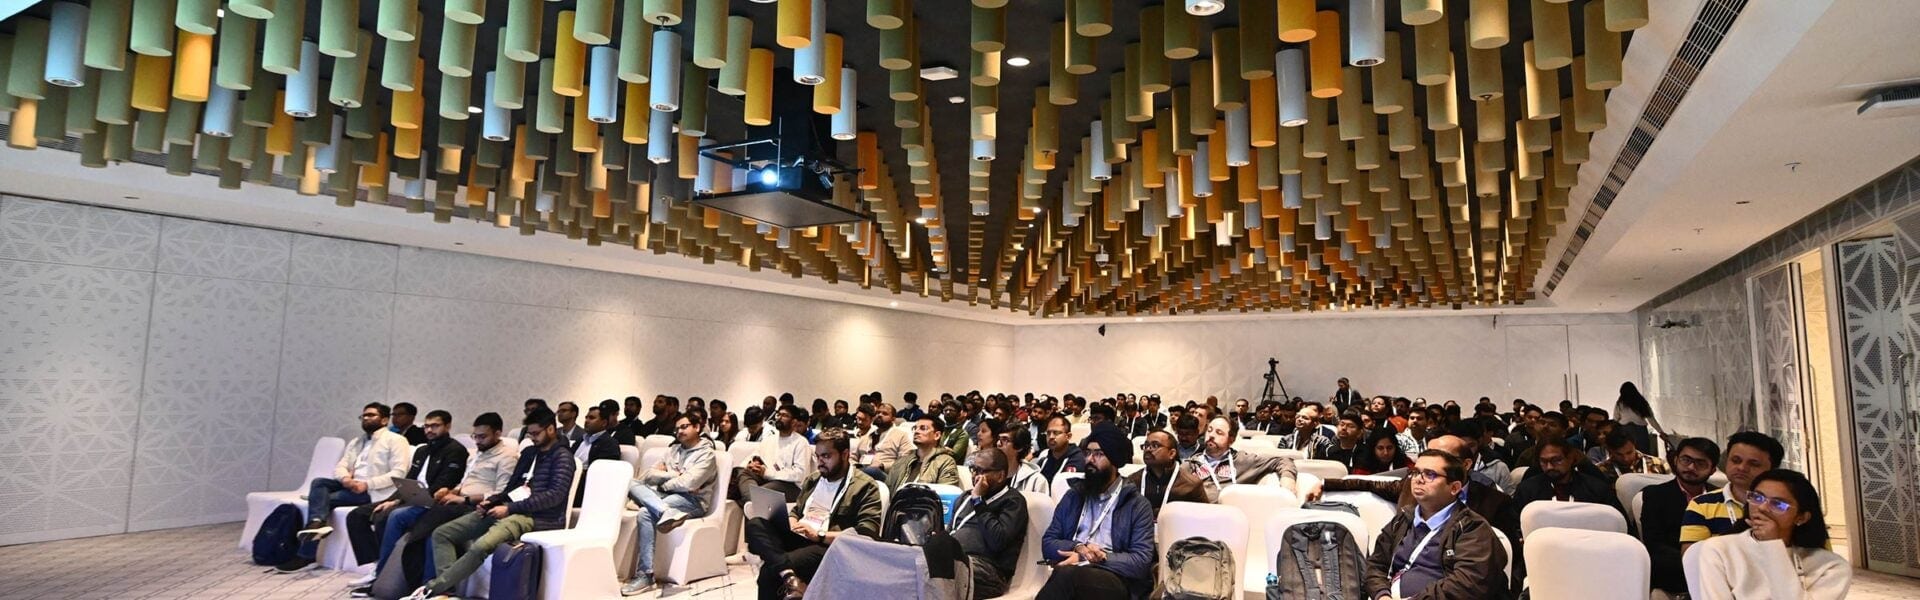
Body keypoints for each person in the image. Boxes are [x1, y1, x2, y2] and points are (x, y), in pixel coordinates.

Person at [404, 408, 576, 600]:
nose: (533, 438)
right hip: (511, 508)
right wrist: (492, 501)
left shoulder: (563, 457)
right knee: (442, 534)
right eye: (530, 433)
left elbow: (554, 496)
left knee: (481, 546)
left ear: (551, 429)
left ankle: (432, 589)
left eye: (536, 433)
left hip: (538, 518)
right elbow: (512, 487)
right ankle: (448, 591)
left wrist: (509, 508)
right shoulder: (529, 453)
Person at [348, 412, 518, 597]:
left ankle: (427, 586)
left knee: (420, 528)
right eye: (475, 436)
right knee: (388, 517)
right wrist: (452, 491)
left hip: (473, 506)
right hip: (451, 501)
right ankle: (389, 577)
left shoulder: (505, 457)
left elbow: (500, 493)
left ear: (498, 433)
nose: (477, 441)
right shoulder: (476, 454)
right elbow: (465, 482)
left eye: (482, 436)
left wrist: (464, 498)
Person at [745, 429, 885, 600]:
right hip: (801, 535)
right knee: (756, 523)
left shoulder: (865, 487)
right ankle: (790, 576)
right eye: (817, 457)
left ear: (845, 454)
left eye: (826, 456)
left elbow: (866, 535)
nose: (820, 462)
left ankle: (786, 573)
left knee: (769, 571)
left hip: (828, 546)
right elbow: (797, 510)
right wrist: (790, 521)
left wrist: (819, 535)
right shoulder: (813, 479)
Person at [1311, 435, 1520, 550]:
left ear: (1466, 464)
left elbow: (1510, 558)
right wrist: (1324, 483)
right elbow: (1370, 484)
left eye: (1441, 457)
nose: (1430, 463)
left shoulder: (1495, 502)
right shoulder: (1411, 486)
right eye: (1427, 455)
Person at [323, 409, 468, 574]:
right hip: (411, 496)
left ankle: (383, 571)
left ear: (447, 426)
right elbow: (407, 482)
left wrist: (398, 502)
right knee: (357, 515)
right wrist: (391, 500)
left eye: (435, 426)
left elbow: (444, 483)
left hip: (431, 501)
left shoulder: (455, 450)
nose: (429, 430)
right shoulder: (423, 450)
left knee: (387, 516)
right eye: (426, 426)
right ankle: (377, 562)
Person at [1362, 450, 1508, 599]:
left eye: (1430, 474)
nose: (1418, 479)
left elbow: (1468, 584)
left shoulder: (1472, 528)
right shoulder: (1403, 520)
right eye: (1416, 472)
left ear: (1454, 488)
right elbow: (1375, 566)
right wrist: (1382, 595)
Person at [1687, 469, 1850, 600]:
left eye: (1778, 504)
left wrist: (1772, 545)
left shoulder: (1830, 566)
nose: (1762, 508)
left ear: (1801, 517)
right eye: (1757, 497)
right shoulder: (1719, 549)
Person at [1036, 423, 1156, 600]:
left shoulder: (1137, 504)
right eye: (1087, 453)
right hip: (1073, 567)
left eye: (1098, 454)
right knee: (1067, 575)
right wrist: (1078, 549)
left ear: (1114, 461)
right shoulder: (1074, 495)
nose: (1090, 460)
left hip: (1114, 577)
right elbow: (1048, 542)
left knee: (1067, 576)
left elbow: (1141, 562)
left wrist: (1101, 557)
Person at [285, 403, 410, 571]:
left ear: (385, 420)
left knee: (322, 500)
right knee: (319, 483)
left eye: (371, 415)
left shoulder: (396, 440)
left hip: (374, 491)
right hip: (351, 485)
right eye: (364, 416)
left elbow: (399, 473)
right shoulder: (357, 441)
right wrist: (345, 479)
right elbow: (341, 465)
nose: (366, 418)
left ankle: (306, 555)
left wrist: (366, 484)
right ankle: (317, 523)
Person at [620, 412, 720, 595]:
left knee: (644, 512)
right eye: (677, 429)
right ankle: (665, 511)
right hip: (669, 497)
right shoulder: (673, 450)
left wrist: (665, 481)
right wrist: (676, 476)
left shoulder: (707, 455)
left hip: (693, 501)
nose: (679, 431)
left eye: (684, 427)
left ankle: (646, 575)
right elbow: (649, 475)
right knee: (632, 483)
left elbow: (689, 484)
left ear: (697, 427)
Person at [1642, 437, 1721, 598]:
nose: (1691, 467)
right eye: (1686, 460)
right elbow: (1655, 545)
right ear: (1676, 460)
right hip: (1674, 579)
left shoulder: (1721, 497)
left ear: (1713, 469)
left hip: (1719, 578)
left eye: (1700, 463)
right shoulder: (1655, 495)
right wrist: (1699, 565)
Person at [1681, 431, 1784, 551]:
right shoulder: (1702, 505)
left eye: (1753, 464)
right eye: (1736, 460)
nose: (1742, 468)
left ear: (1772, 469)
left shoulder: (1781, 507)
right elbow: (1692, 560)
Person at [951, 449, 1030, 599]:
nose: (975, 475)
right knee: (921, 562)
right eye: (973, 469)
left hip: (990, 572)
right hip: (956, 560)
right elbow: (951, 532)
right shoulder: (964, 497)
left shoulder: (1012, 501)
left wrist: (978, 502)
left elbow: (997, 541)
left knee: (943, 569)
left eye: (981, 470)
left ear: (1000, 475)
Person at [1188, 417, 1299, 502]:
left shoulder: (1243, 460)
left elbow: (1283, 460)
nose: (1211, 435)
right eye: (1209, 430)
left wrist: (1288, 479)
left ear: (1231, 439)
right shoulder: (1191, 464)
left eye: (1219, 433)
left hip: (1227, 518)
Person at [1511, 438, 1624, 513]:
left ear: (1570, 458)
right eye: (1543, 462)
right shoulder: (1527, 490)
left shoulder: (1597, 489)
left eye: (1556, 460)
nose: (1549, 467)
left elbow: (1617, 522)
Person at [732, 405, 816, 503]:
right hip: (767, 480)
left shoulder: (801, 442)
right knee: (742, 472)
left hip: (791, 486)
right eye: (778, 414)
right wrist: (751, 464)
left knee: (761, 492)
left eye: (784, 415)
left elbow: (799, 475)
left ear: (794, 422)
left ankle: (750, 501)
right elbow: (754, 456)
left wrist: (767, 473)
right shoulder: (769, 440)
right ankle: (752, 501)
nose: (779, 417)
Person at [1124, 429, 1208, 515]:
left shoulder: (1191, 484)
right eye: (1146, 445)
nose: (1148, 449)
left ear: (1171, 453)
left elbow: (1204, 517)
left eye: (1155, 445)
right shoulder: (1133, 481)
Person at [886, 416, 963, 491]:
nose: (916, 431)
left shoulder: (946, 462)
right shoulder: (902, 461)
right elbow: (887, 490)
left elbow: (946, 496)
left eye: (923, 428)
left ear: (937, 435)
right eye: (915, 428)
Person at [570, 405, 624, 507]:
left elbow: (601, 473)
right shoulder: (580, 440)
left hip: (587, 486)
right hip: (570, 477)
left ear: (604, 423)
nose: (586, 421)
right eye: (586, 417)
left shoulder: (610, 444)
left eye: (591, 418)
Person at [1614, 382, 1672, 455]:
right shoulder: (1641, 402)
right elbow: (1651, 419)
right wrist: (1661, 432)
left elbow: (1615, 418)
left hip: (1625, 430)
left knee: (1628, 452)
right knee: (1643, 453)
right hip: (1640, 430)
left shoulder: (1620, 404)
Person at [1034, 415, 1086, 483]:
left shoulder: (1077, 459)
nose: (1051, 437)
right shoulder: (1044, 458)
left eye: (1056, 433)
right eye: (1048, 433)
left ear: (1068, 436)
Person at [1597, 428, 1670, 478]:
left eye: (1629, 452)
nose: (1625, 458)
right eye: (1619, 454)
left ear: (1634, 445)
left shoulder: (1659, 464)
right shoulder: (1601, 470)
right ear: (1610, 450)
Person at [1004, 426, 1051, 495]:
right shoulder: (988, 473)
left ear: (1019, 447)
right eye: (998, 439)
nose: (998, 444)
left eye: (1005, 440)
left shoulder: (1037, 480)